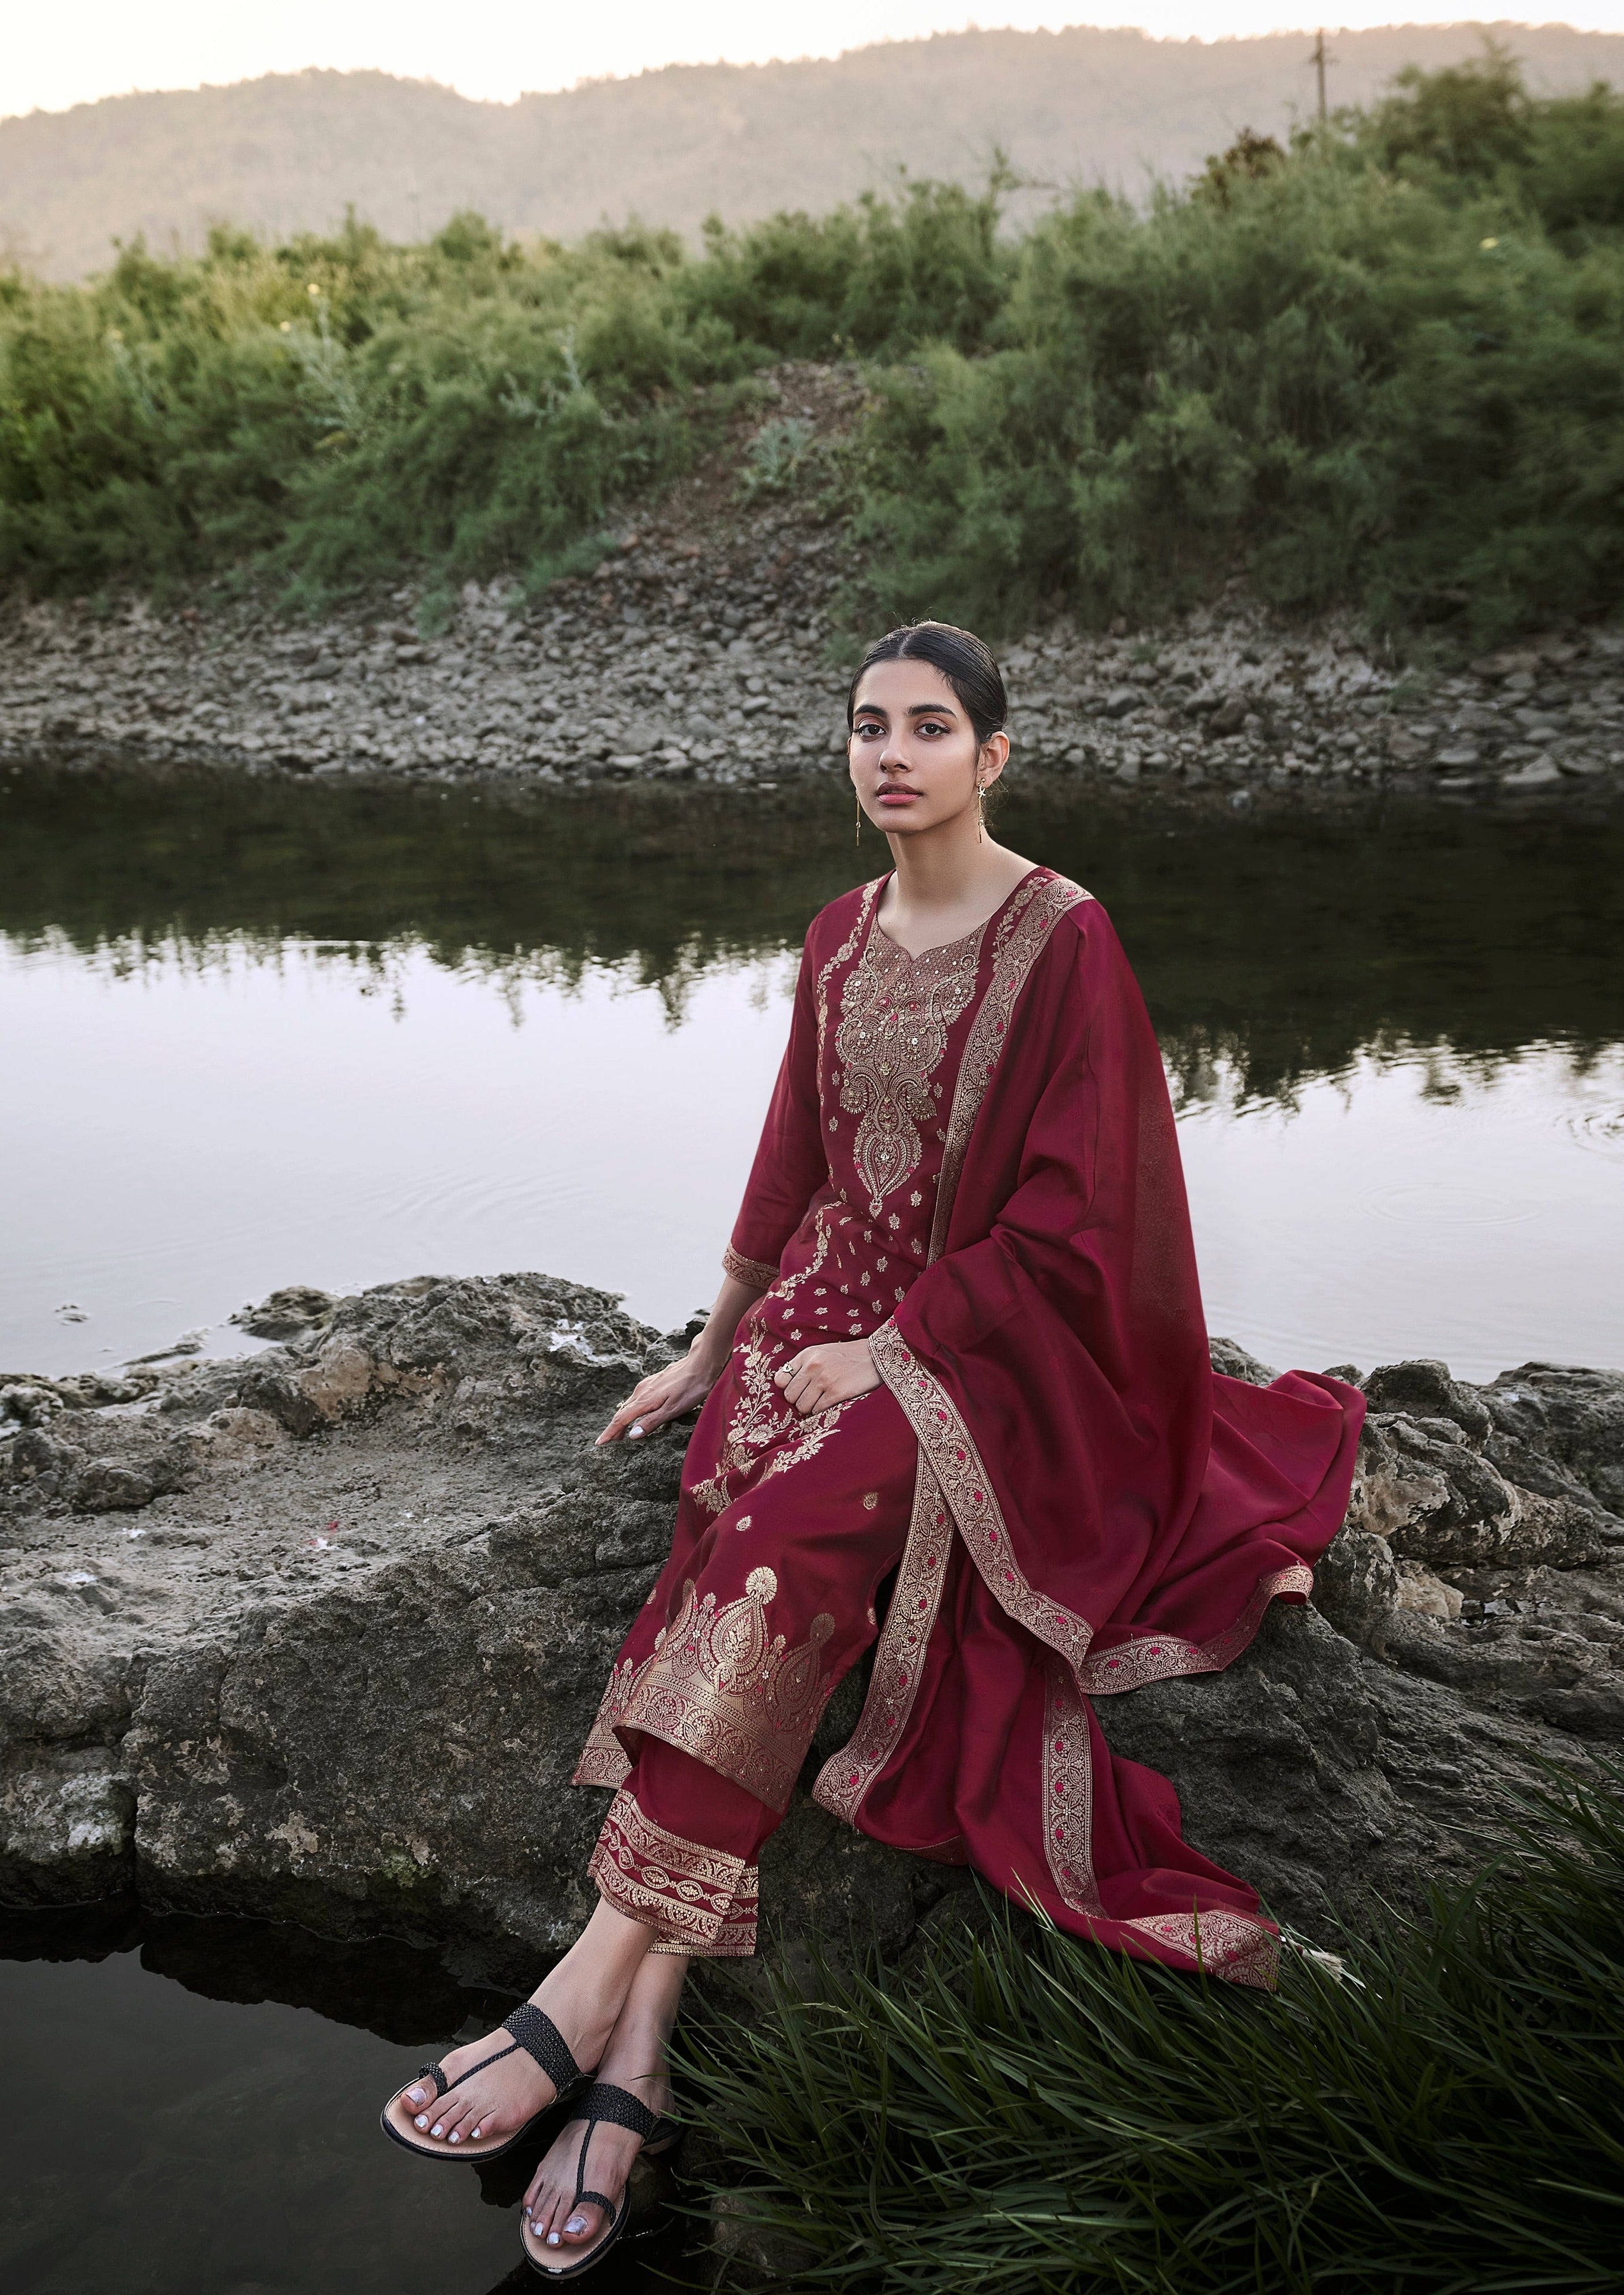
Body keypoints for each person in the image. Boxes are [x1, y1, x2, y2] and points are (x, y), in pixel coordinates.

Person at [380, 621, 1364, 2277]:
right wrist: (715, 1341)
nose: (891, 752)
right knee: (730, 1526)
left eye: (928, 726)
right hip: (813, 1328)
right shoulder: (837, 934)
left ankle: (576, 1992)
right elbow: (791, 1159)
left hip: (1000, 1358)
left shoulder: (1066, 940)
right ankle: (641, 2046)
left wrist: (898, 1347)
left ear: (995, 754)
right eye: (866, 725)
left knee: (778, 1558)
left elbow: (1077, 1217)